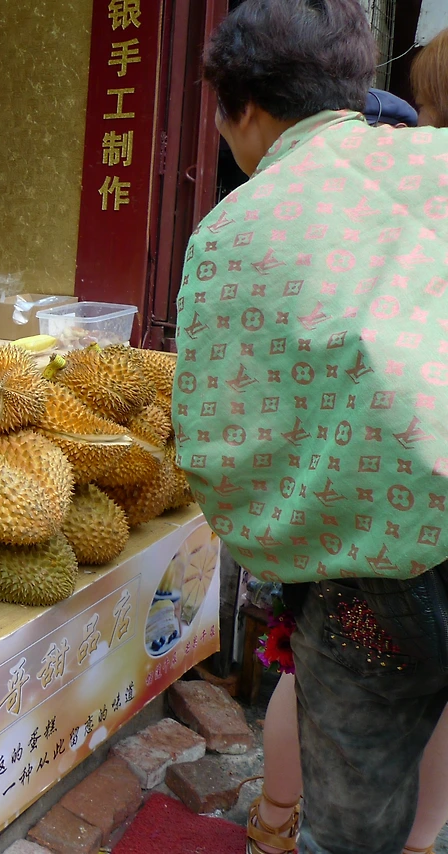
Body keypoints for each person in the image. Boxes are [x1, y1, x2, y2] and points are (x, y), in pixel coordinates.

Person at [180, 2, 448, 853]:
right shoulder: (439, 159)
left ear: (244, 108)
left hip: (370, 580)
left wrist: (281, 551)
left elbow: (216, 441)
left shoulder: (235, 227)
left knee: (350, 816)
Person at [247, 86, 448, 854]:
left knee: (317, 684)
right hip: (372, 537)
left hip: (353, 540)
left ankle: (281, 823)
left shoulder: (326, 231)